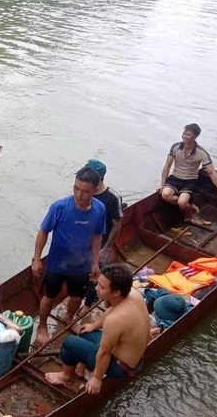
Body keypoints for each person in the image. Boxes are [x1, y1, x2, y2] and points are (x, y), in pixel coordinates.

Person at [44, 264, 150, 395]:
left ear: (116, 292)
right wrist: (94, 326)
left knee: (69, 342)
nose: (96, 288)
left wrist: (97, 378)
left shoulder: (116, 320)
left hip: (120, 366)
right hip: (128, 354)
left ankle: (66, 377)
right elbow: (111, 309)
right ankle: (80, 368)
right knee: (84, 331)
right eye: (98, 283)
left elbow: (104, 352)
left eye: (102, 287)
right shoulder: (133, 295)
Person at [32, 167, 106, 346]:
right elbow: (43, 231)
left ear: (95, 190)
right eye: (76, 188)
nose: (79, 194)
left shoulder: (100, 209)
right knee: (49, 297)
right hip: (57, 264)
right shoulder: (60, 207)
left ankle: (69, 317)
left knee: (76, 297)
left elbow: (97, 236)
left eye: (85, 191)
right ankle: (42, 327)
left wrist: (95, 263)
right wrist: (36, 258)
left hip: (81, 265)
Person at [158, 123, 217, 221]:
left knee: (182, 203)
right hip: (175, 178)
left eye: (188, 135)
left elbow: (212, 172)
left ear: (195, 136)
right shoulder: (175, 147)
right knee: (165, 195)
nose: (184, 136)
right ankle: (191, 206)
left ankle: (188, 215)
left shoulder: (202, 153)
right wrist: (162, 185)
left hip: (189, 181)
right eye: (184, 133)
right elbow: (167, 166)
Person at [79, 159, 123, 314]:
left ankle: (87, 304)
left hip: (100, 243)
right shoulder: (83, 191)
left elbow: (117, 225)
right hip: (82, 241)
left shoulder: (112, 198)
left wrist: (106, 248)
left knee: (94, 275)